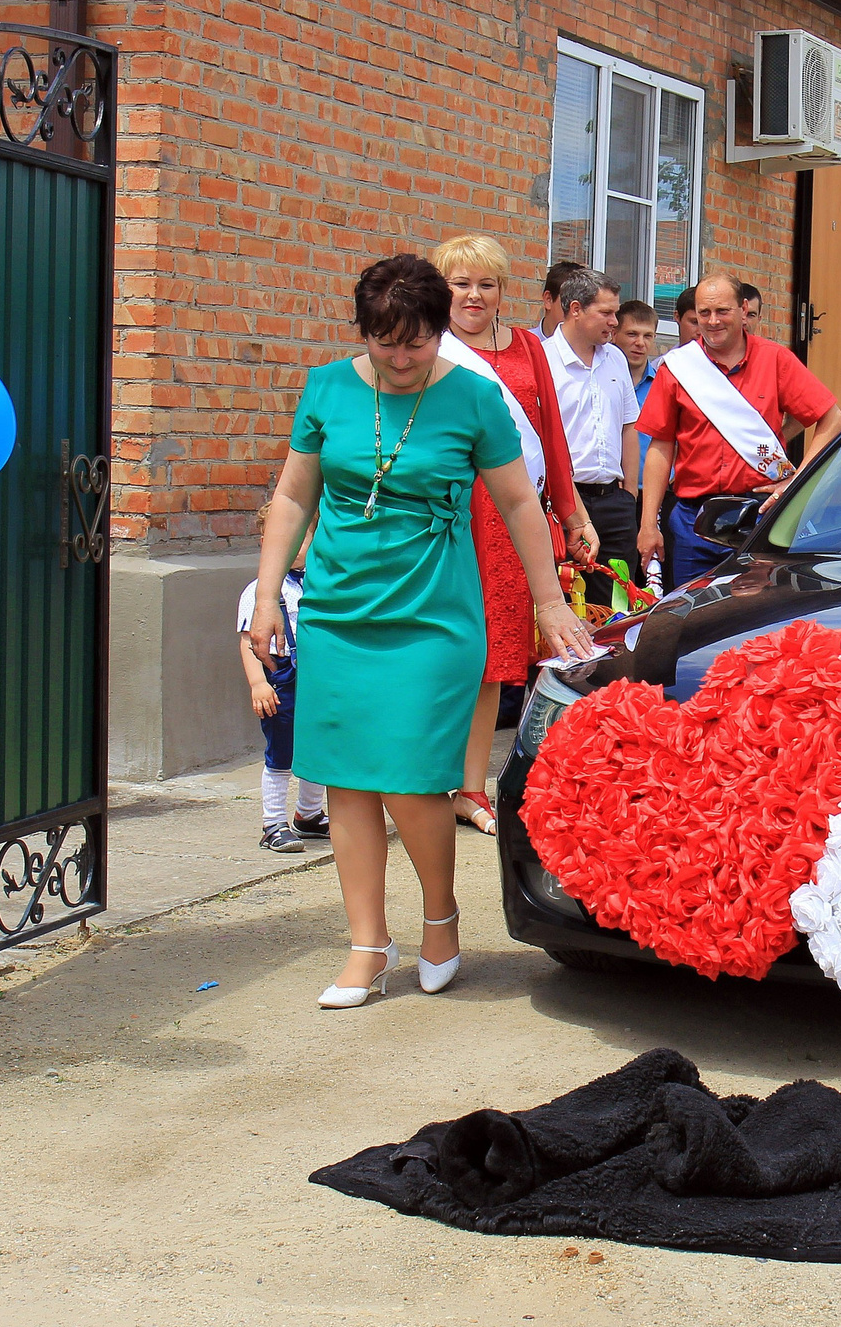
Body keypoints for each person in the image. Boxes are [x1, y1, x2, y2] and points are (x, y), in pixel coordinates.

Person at [249, 255, 595, 1005]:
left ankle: (441, 916)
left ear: (441, 332)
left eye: (416, 343)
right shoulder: (328, 388)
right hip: (340, 611)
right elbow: (292, 495)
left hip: (434, 617)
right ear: (364, 332)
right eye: (384, 342)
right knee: (345, 780)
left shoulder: (473, 397)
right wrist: (268, 594)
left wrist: (549, 600)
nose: (401, 359)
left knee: (410, 781)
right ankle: (368, 945)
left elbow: (518, 503)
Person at [436, 234, 594, 837]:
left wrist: (574, 516)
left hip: (510, 521)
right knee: (446, 652)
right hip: (448, 517)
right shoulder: (431, 349)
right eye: (461, 282)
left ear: (504, 291)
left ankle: (471, 787)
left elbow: (551, 439)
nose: (474, 295)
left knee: (495, 657)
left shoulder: (529, 347)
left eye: (487, 284)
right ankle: (424, 776)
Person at [635, 274, 841, 588]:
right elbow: (660, 446)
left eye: (722, 311)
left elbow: (832, 419)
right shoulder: (678, 367)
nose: (712, 321)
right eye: (704, 313)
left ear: (743, 309)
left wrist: (797, 480)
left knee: (756, 624)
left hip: (760, 518)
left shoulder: (775, 359)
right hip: (694, 521)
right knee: (691, 622)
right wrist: (648, 523)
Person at [237, 504, 329, 853]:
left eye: (299, 538)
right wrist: (259, 683)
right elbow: (248, 642)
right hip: (282, 682)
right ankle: (273, 823)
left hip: (318, 680)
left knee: (318, 749)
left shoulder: (322, 583)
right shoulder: (260, 591)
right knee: (281, 753)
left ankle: (308, 815)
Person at [545, 267, 644, 578]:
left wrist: (630, 494)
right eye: (606, 313)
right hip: (562, 502)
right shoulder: (543, 360)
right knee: (566, 596)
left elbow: (629, 425)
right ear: (576, 309)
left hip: (615, 503)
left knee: (616, 601)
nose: (615, 322)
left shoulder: (615, 358)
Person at [540, 259, 585, 336]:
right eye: (569, 302)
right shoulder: (524, 344)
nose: (576, 312)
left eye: (585, 305)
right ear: (548, 299)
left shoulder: (597, 347)